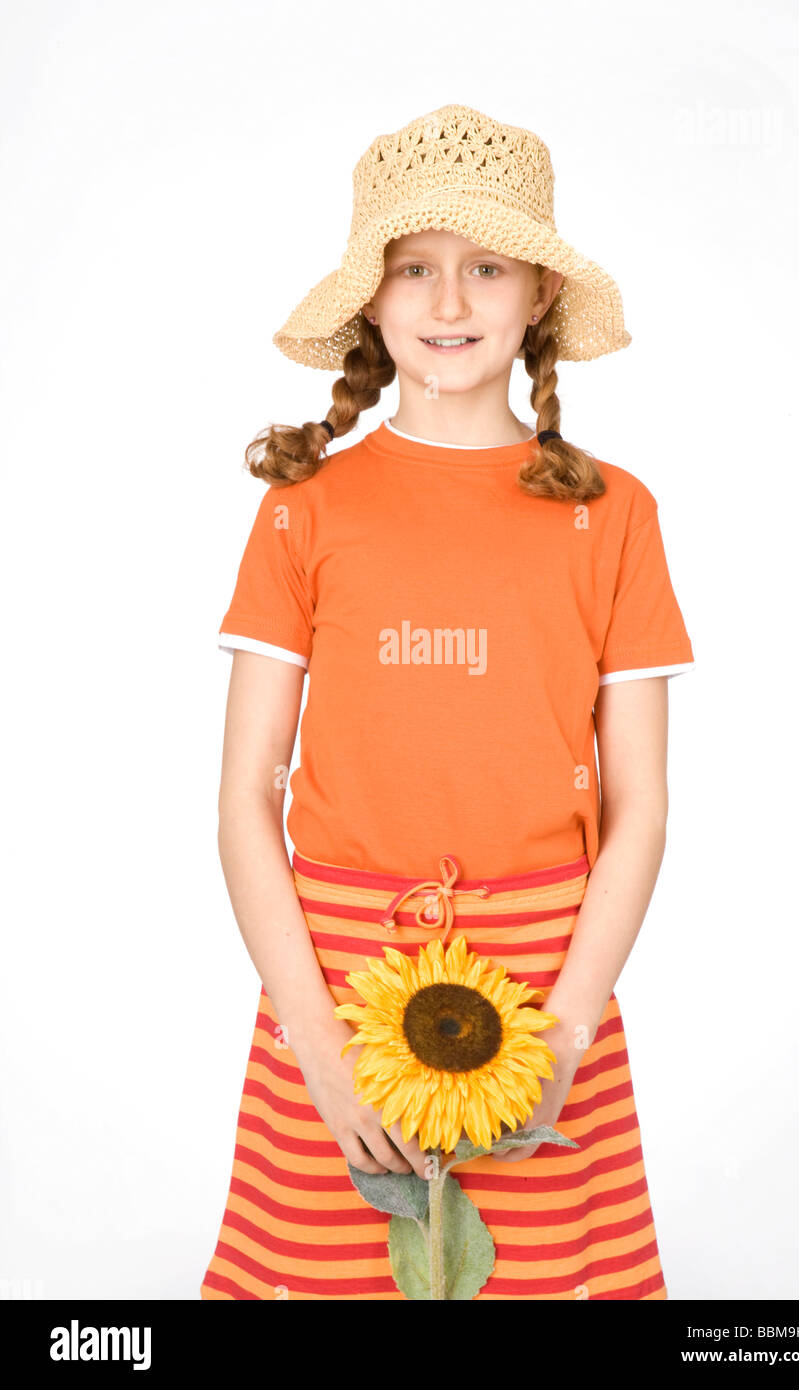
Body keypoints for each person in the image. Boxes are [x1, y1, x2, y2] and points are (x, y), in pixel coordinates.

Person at [200, 103, 695, 1301]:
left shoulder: (612, 514)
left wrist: (565, 1032)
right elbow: (242, 800)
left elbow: (638, 806)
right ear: (370, 299)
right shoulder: (304, 508)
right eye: (413, 268)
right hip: (333, 975)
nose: (449, 300)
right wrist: (316, 1049)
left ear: (537, 297)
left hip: (543, 980)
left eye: (485, 265)